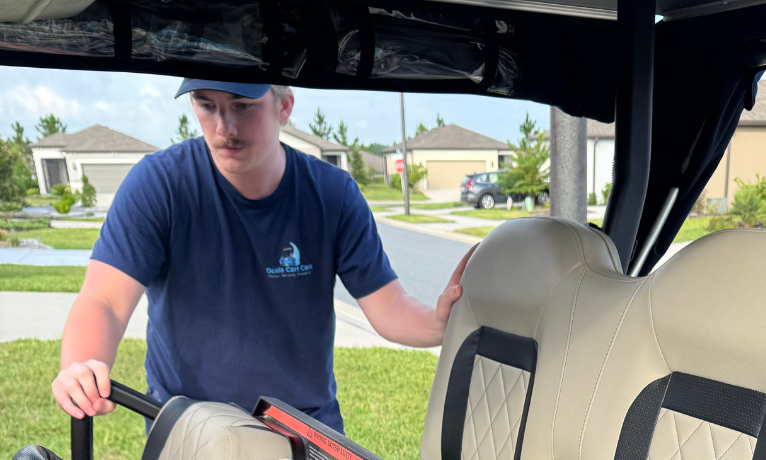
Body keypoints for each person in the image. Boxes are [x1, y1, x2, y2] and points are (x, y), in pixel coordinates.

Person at [51, 80, 474, 433]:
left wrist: (438, 323)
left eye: (242, 106)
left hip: (303, 427)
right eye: (206, 105)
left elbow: (390, 306)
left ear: (283, 105)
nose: (224, 127)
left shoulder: (332, 194)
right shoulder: (159, 185)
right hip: (189, 425)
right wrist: (83, 366)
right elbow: (103, 300)